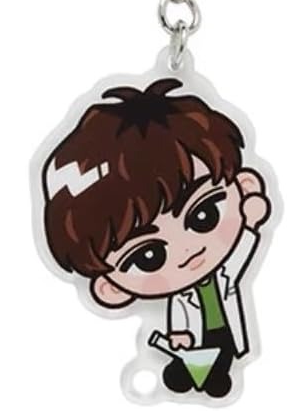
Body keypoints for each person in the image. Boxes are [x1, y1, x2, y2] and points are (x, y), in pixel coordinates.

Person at [42, 79, 271, 398]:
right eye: (148, 256)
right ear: (110, 287)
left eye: (203, 215)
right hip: (195, 342)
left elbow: (241, 255)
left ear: (245, 187)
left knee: (217, 365)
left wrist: (250, 224)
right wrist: (178, 336)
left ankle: (209, 374)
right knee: (194, 363)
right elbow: (180, 316)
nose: (187, 249)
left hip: (227, 335)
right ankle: (192, 374)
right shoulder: (180, 298)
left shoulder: (224, 276)